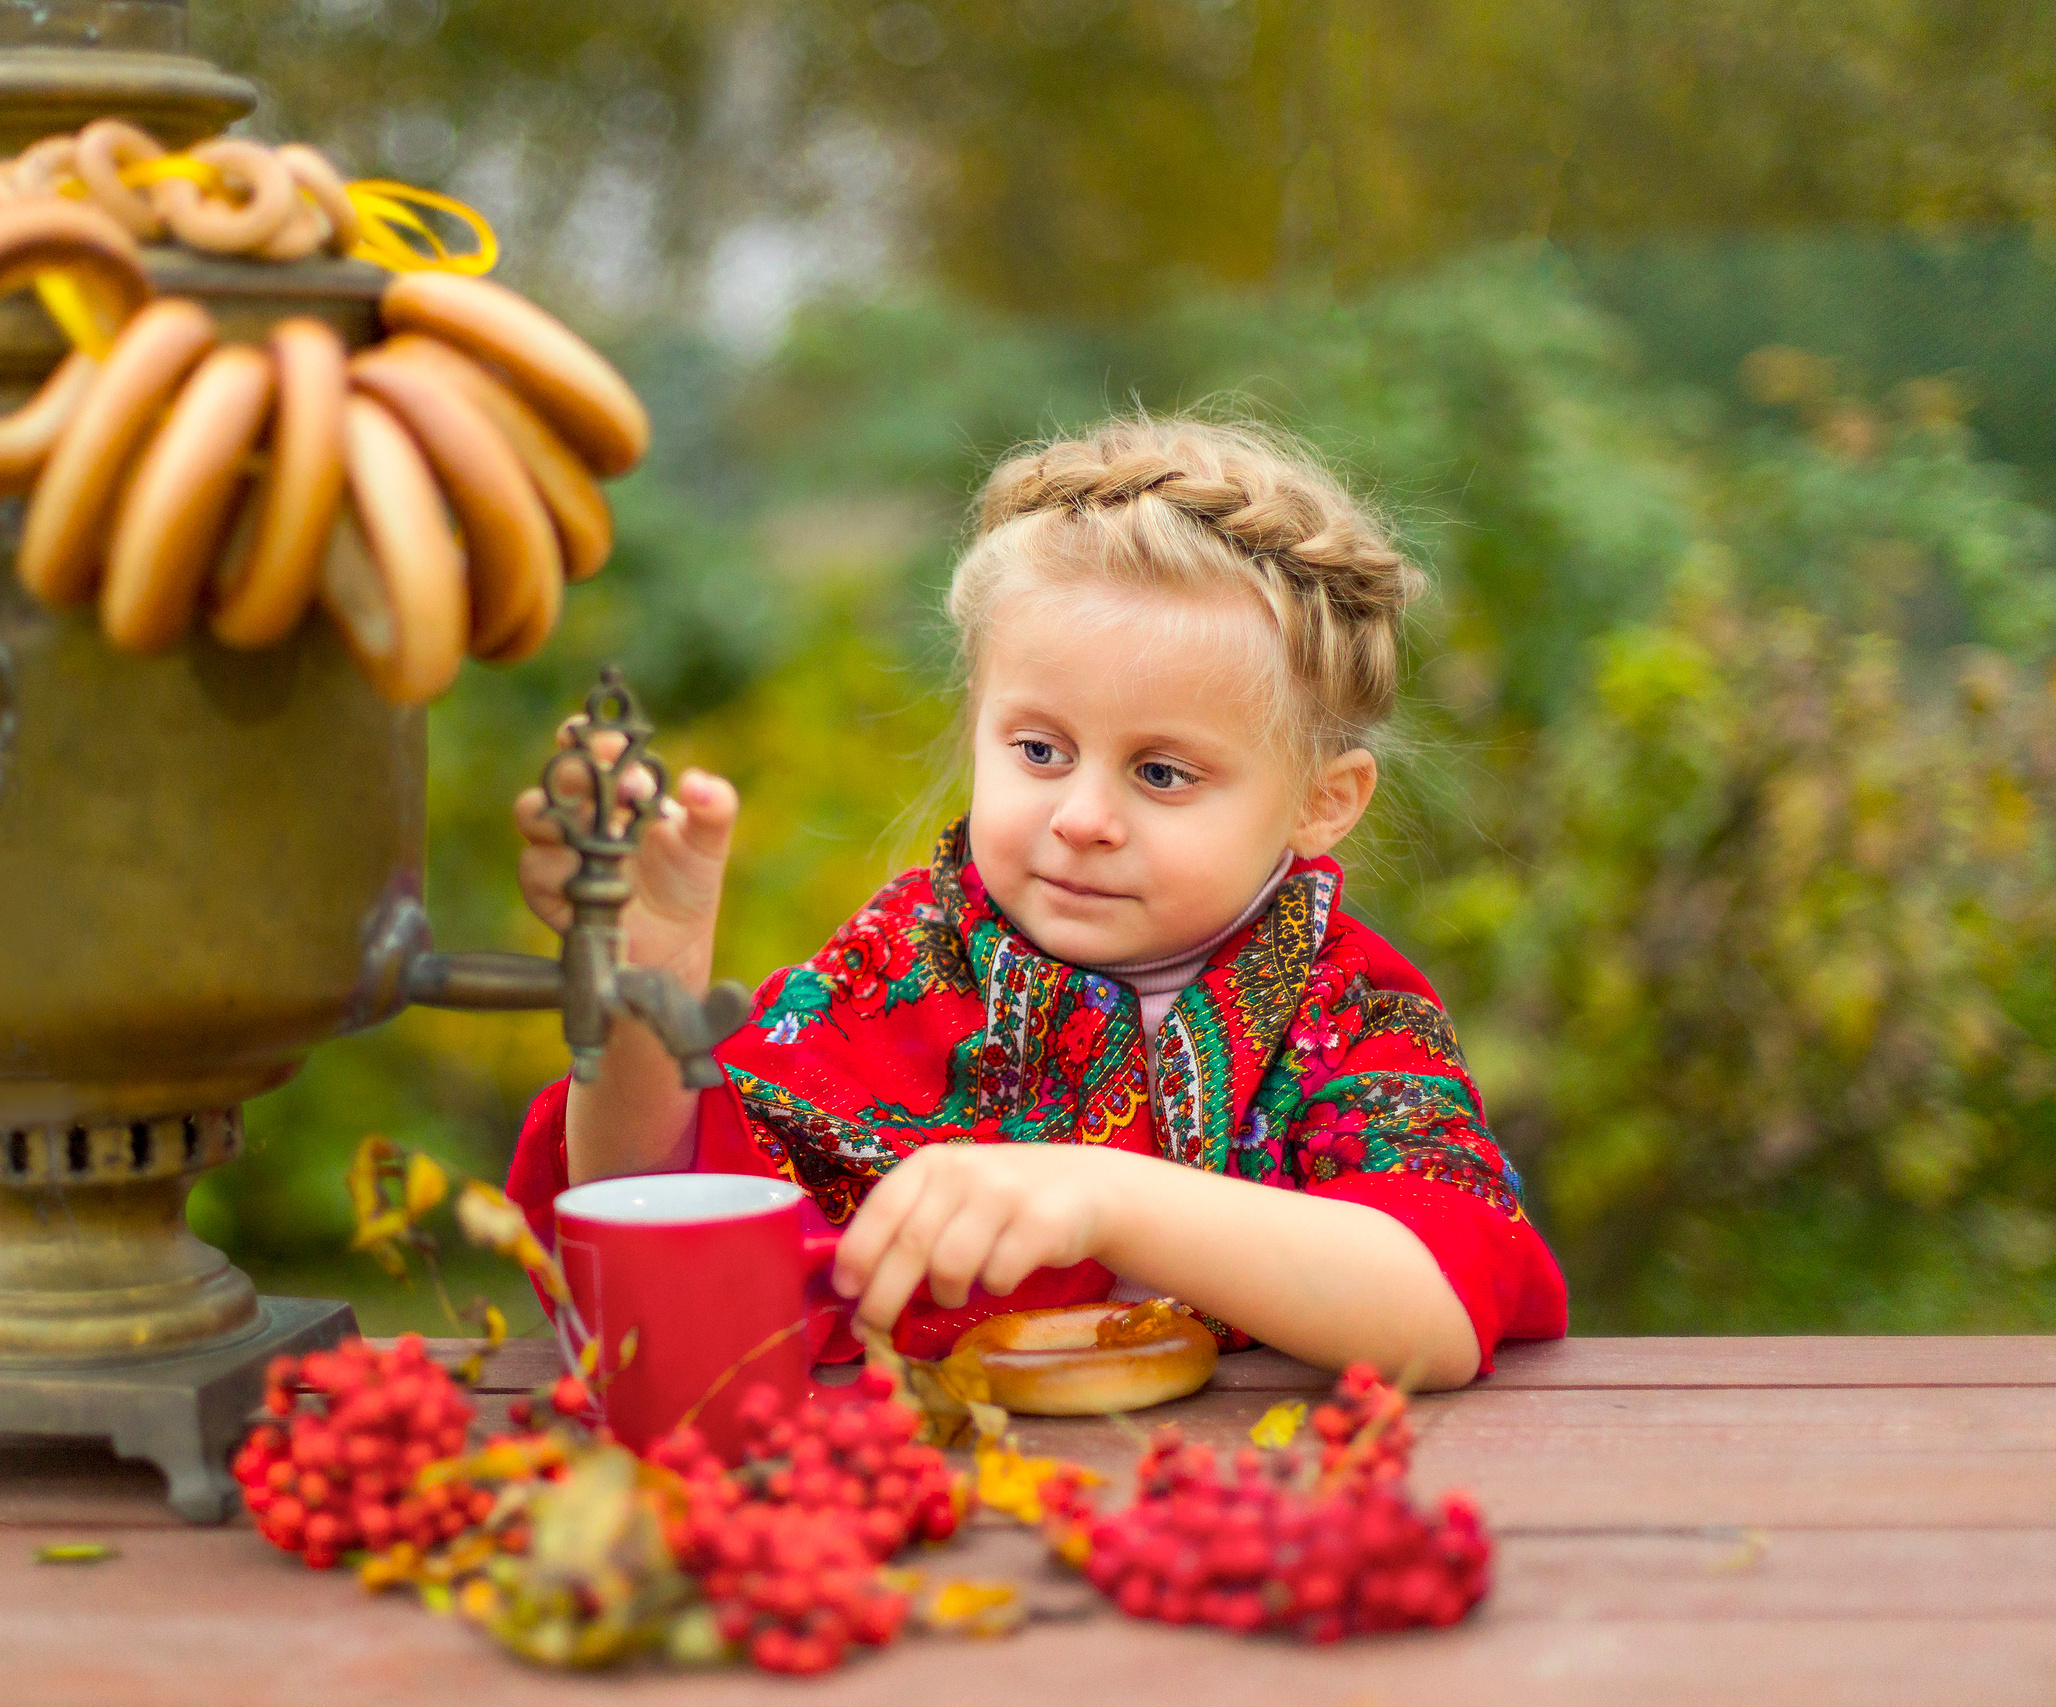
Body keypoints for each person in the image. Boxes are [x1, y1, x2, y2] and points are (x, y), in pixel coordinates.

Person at [503, 416, 1566, 1387]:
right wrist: (644, 991)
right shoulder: (901, 969)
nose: (1080, 816)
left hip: (1252, 1513)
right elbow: (655, 1228)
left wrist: (1102, 1197)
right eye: (1039, 750)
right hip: (936, 1525)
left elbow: (1439, 1300)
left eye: (1161, 774)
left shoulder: (1340, 1010)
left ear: (1321, 803)